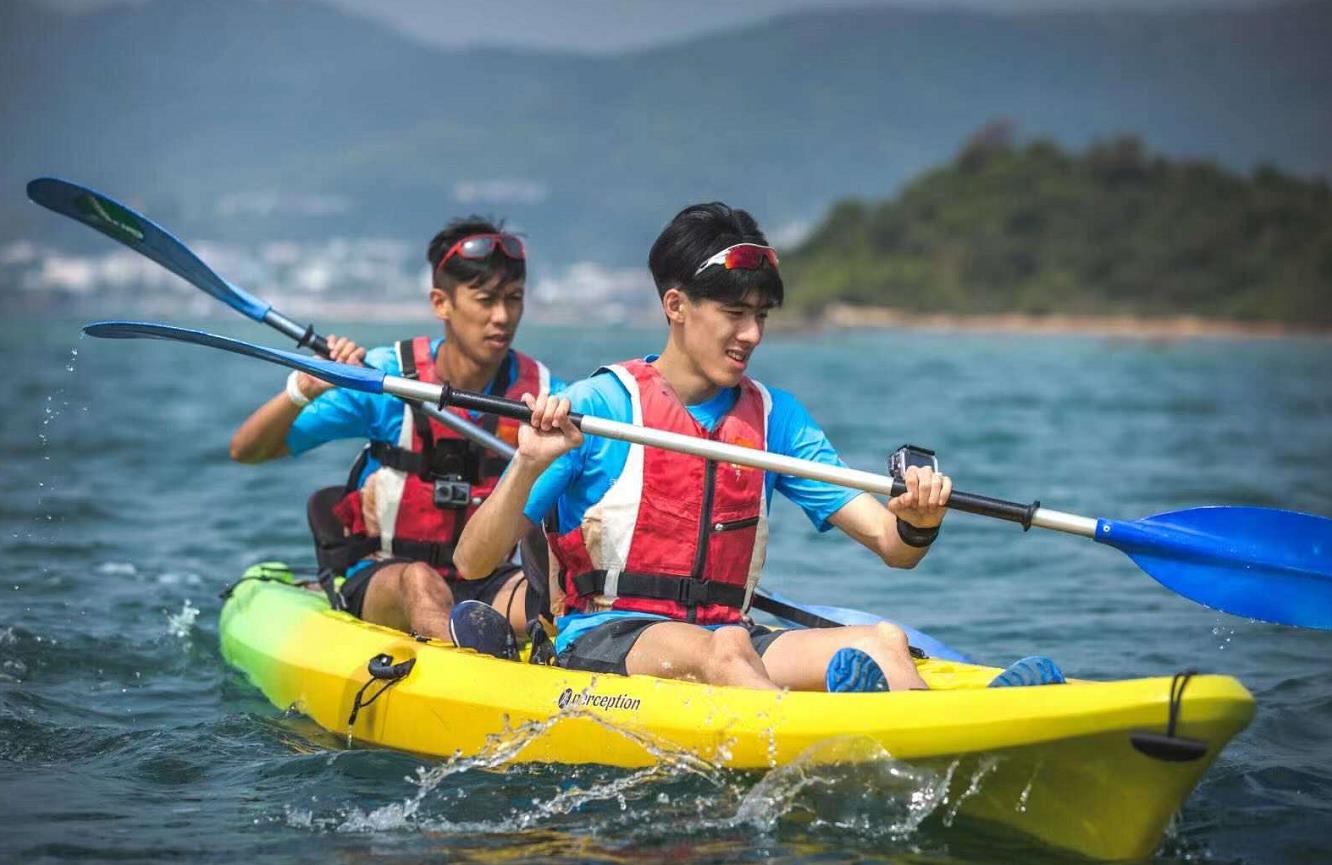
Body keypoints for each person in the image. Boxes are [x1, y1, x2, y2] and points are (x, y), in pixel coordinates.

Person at [453, 202, 1063, 690]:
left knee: (882, 642)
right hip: (607, 639)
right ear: (676, 306)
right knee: (725, 650)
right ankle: (821, 754)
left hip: (730, 636)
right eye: (734, 313)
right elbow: (473, 564)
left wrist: (918, 523)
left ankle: (947, 740)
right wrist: (528, 462)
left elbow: (891, 546)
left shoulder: (776, 419)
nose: (751, 334)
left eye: (762, 316)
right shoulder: (598, 407)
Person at [230, 218, 565, 646]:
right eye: (485, 300)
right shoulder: (385, 377)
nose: (502, 317)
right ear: (441, 303)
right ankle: (463, 657)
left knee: (549, 594)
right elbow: (248, 450)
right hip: (386, 575)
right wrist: (303, 389)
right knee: (419, 581)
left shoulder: (543, 395)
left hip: (487, 581)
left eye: (514, 298)